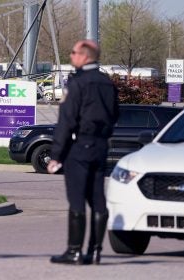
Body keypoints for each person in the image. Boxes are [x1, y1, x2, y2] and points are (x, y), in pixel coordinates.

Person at [48, 40, 119, 265]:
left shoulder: (78, 83)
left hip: (79, 147)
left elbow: (66, 121)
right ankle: (95, 251)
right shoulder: (107, 83)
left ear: (85, 56)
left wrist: (56, 154)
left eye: (73, 52)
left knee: (77, 199)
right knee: (98, 199)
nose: (71, 56)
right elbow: (116, 113)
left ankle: (74, 251)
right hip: (100, 146)